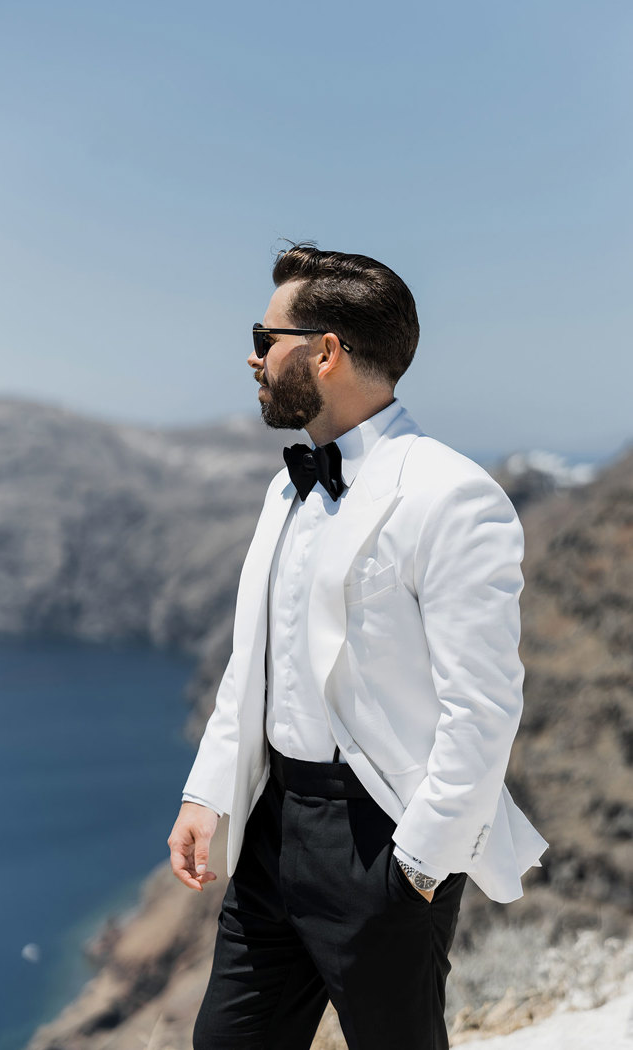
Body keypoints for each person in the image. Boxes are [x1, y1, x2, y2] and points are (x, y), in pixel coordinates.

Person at [167, 243, 549, 1050]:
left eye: (266, 338)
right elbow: (256, 663)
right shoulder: (287, 486)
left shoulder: (452, 495)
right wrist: (209, 793)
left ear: (326, 351)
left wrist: (418, 866)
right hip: (272, 827)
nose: (253, 356)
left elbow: (482, 706)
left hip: (380, 843)